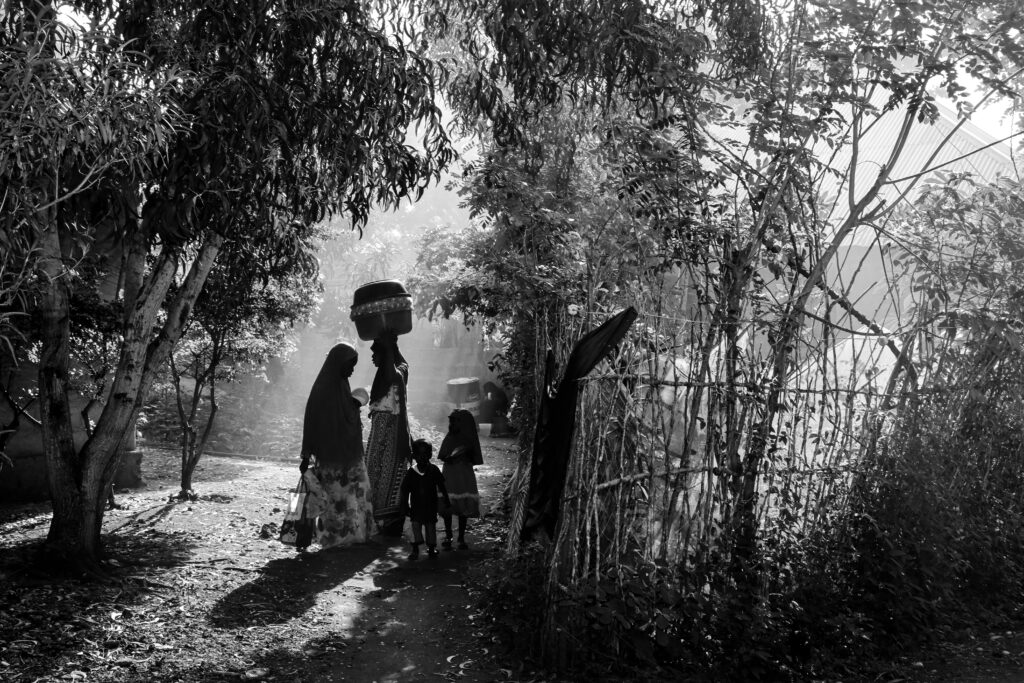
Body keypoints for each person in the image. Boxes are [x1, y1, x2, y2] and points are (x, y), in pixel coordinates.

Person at [299, 342, 374, 549]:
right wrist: (306, 454)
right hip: (331, 457)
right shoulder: (322, 389)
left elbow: (346, 415)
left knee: (352, 497)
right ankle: (334, 538)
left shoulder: (343, 385)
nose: (352, 370)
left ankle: (353, 535)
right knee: (334, 499)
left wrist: (354, 406)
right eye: (350, 365)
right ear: (338, 363)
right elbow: (311, 421)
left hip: (350, 455)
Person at [364, 333, 413, 536]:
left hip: (388, 437)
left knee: (384, 476)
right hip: (383, 436)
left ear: (385, 355)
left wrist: (388, 344)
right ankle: (383, 521)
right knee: (379, 476)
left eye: (376, 353)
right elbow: (402, 365)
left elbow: (397, 366)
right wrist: (390, 345)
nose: (372, 357)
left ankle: (387, 522)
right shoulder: (393, 375)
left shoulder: (394, 374)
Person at [438, 409, 483, 550]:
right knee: (447, 506)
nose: (451, 424)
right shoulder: (449, 437)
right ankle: (449, 535)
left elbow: (473, 456)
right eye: (450, 421)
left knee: (463, 508)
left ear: (463, 423)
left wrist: (463, 453)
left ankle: (461, 538)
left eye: (454, 421)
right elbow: (442, 455)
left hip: (464, 476)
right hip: (450, 475)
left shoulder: (469, 440)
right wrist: (449, 458)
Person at [398, 439, 450, 560]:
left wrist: (446, 499)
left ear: (430, 455)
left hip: (431, 506)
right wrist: (405, 505)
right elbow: (405, 490)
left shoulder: (434, 470)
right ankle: (415, 550)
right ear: (414, 456)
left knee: (430, 527)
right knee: (414, 527)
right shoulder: (411, 472)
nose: (422, 457)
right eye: (419, 454)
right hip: (416, 507)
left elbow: (442, 486)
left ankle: (431, 548)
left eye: (425, 454)